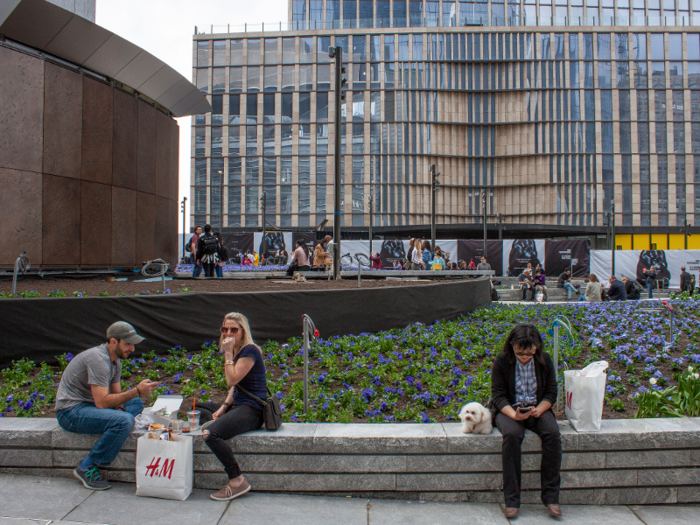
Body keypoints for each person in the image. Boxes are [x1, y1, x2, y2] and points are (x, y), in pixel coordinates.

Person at [55, 322, 160, 490]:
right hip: (70, 412)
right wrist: (136, 391)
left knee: (135, 404)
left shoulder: (115, 362)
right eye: (127, 344)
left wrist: (127, 403)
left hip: (89, 406)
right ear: (113, 342)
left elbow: (117, 398)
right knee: (125, 421)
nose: (132, 349)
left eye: (133, 344)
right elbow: (103, 402)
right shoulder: (98, 360)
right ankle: (87, 466)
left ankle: (113, 428)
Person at [491, 324, 562, 519]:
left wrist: (539, 409)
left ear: (537, 347)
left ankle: (551, 498)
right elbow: (498, 396)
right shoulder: (502, 361)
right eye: (521, 353)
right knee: (512, 435)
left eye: (530, 353)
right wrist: (514, 415)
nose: (525, 357)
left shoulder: (544, 360)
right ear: (512, 345)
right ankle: (512, 501)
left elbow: (551, 391)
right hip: (510, 410)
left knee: (553, 435)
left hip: (537, 408)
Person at [194, 313, 267, 501]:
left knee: (210, 434)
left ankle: (237, 480)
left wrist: (227, 354)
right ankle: (220, 422)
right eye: (225, 329)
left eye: (234, 330)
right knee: (197, 410)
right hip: (238, 405)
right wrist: (224, 407)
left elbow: (231, 379)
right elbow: (237, 386)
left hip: (252, 410)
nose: (228, 333)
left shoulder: (250, 350)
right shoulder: (237, 350)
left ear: (243, 331)